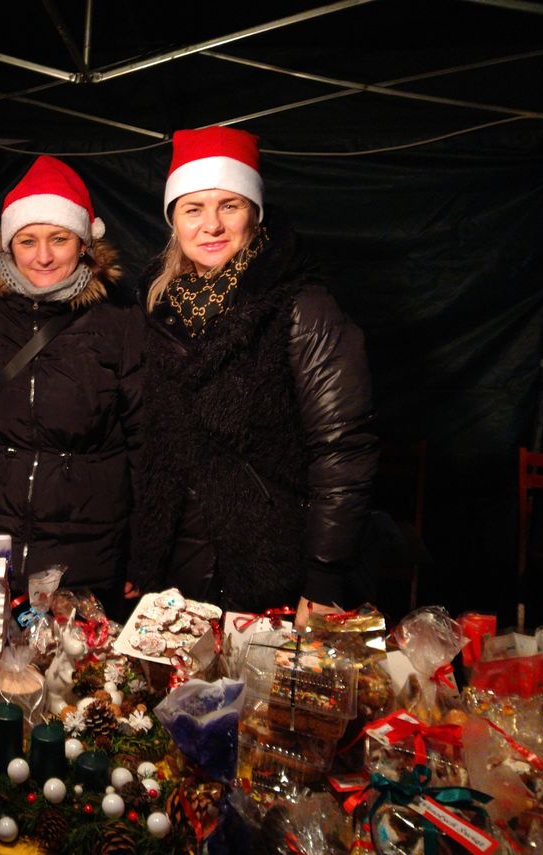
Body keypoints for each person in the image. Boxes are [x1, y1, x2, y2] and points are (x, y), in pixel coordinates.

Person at [128, 127, 377, 626]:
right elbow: (154, 445)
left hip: (266, 566)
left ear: (255, 214)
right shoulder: (161, 310)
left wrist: (324, 581)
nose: (211, 225)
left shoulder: (303, 307)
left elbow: (343, 449)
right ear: (173, 221)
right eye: (193, 208)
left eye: (230, 205)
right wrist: (144, 556)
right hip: (174, 573)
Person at [0, 156, 143, 612]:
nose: (43, 256)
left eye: (59, 239)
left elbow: (147, 447)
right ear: (8, 245)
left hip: (85, 556)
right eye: (28, 240)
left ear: (84, 244)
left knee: (75, 679)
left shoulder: (121, 326)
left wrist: (142, 555)